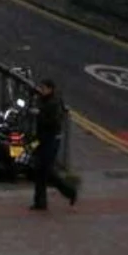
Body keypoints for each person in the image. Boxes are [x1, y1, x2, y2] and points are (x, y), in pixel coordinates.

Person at [30, 79, 77, 211]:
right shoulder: (43, 99)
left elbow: (54, 123)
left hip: (51, 140)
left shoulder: (54, 103)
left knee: (46, 170)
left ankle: (69, 191)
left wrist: (39, 114)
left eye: (44, 88)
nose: (41, 90)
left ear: (50, 89)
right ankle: (40, 202)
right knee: (39, 169)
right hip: (40, 138)